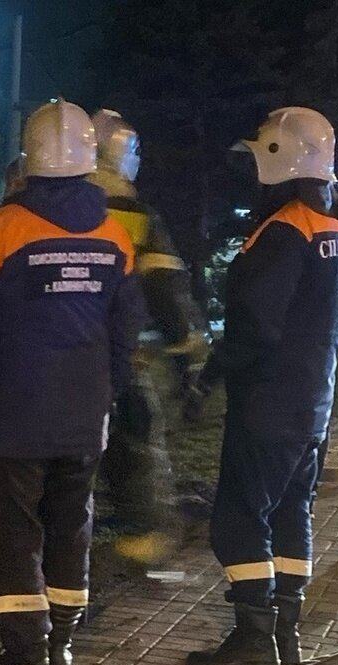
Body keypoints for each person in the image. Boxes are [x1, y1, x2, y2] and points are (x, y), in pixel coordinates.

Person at [0, 100, 143, 665]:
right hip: (85, 415)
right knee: (72, 521)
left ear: (28, 160)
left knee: (13, 528)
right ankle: (62, 645)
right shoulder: (113, 234)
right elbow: (126, 331)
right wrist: (111, 393)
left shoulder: (1, 229)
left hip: (16, 413)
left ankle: (24, 655)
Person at [186, 108, 338, 665]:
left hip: (269, 400)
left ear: (274, 159)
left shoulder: (285, 228)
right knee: (292, 512)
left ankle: (253, 640)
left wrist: (212, 375)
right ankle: (285, 632)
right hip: (315, 400)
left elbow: (254, 324)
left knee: (239, 518)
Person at [88, 110, 207, 545]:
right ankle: (143, 528)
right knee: (135, 434)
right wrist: (184, 361)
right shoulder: (137, 215)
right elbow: (166, 290)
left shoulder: (54, 208)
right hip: (124, 352)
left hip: (62, 350)